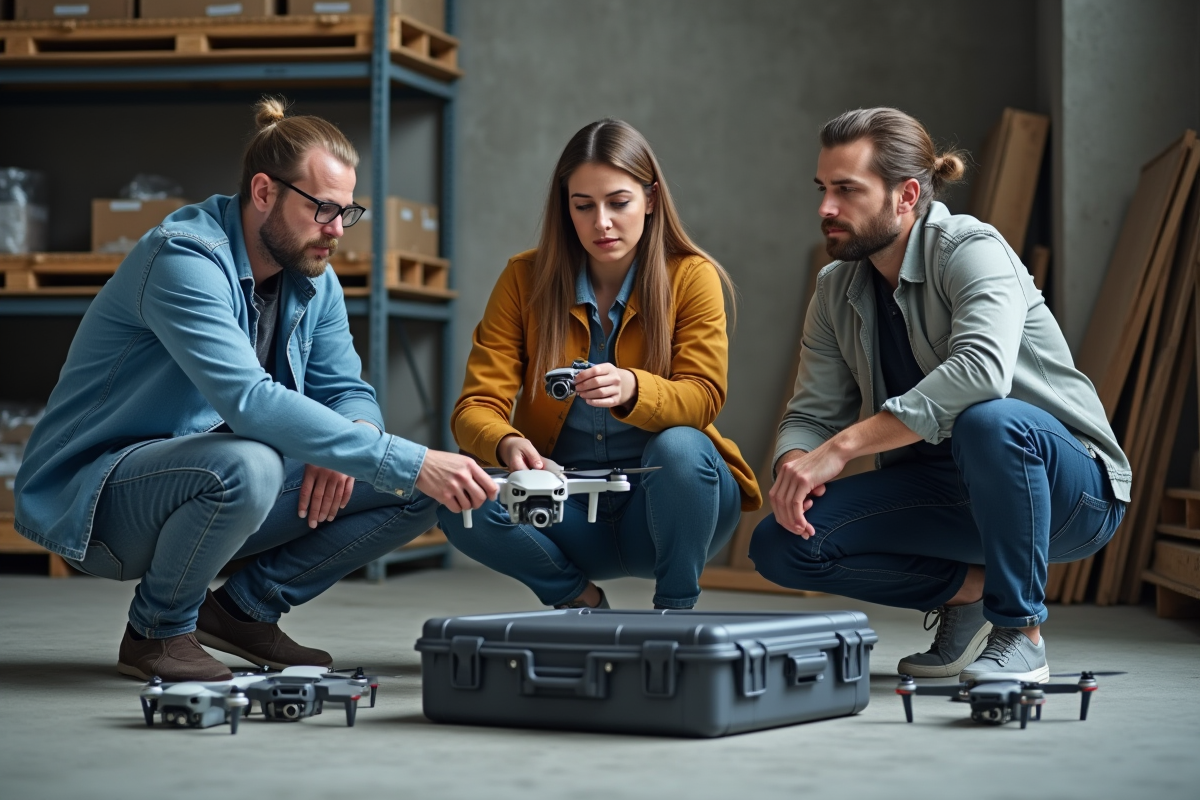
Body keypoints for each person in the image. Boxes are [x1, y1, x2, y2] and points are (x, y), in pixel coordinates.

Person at [13, 97, 497, 683]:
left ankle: (243, 612)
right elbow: (247, 401)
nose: (337, 231)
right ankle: (156, 632)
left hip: (217, 484)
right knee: (256, 464)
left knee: (419, 489)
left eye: (348, 212)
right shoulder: (184, 258)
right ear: (264, 192)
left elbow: (348, 389)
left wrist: (357, 439)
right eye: (322, 209)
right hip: (101, 497)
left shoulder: (315, 279)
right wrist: (376, 452)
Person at [749, 108, 1130, 682]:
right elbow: (810, 411)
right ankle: (970, 593)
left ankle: (1020, 630)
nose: (826, 208)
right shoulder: (835, 289)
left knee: (991, 422)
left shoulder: (970, 249)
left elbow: (981, 373)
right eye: (824, 189)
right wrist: (795, 466)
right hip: (947, 493)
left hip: (1068, 491)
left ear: (906, 196)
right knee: (782, 545)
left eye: (847, 190)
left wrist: (845, 447)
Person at [437, 119, 761, 610]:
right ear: (565, 208)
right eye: (582, 206)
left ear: (651, 199)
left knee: (681, 447)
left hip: (674, 510)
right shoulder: (523, 279)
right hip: (564, 514)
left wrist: (634, 388)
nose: (601, 223)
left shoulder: (692, 277)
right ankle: (575, 596)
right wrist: (507, 443)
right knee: (451, 492)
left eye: (618, 202)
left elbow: (703, 396)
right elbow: (474, 408)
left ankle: (675, 615)